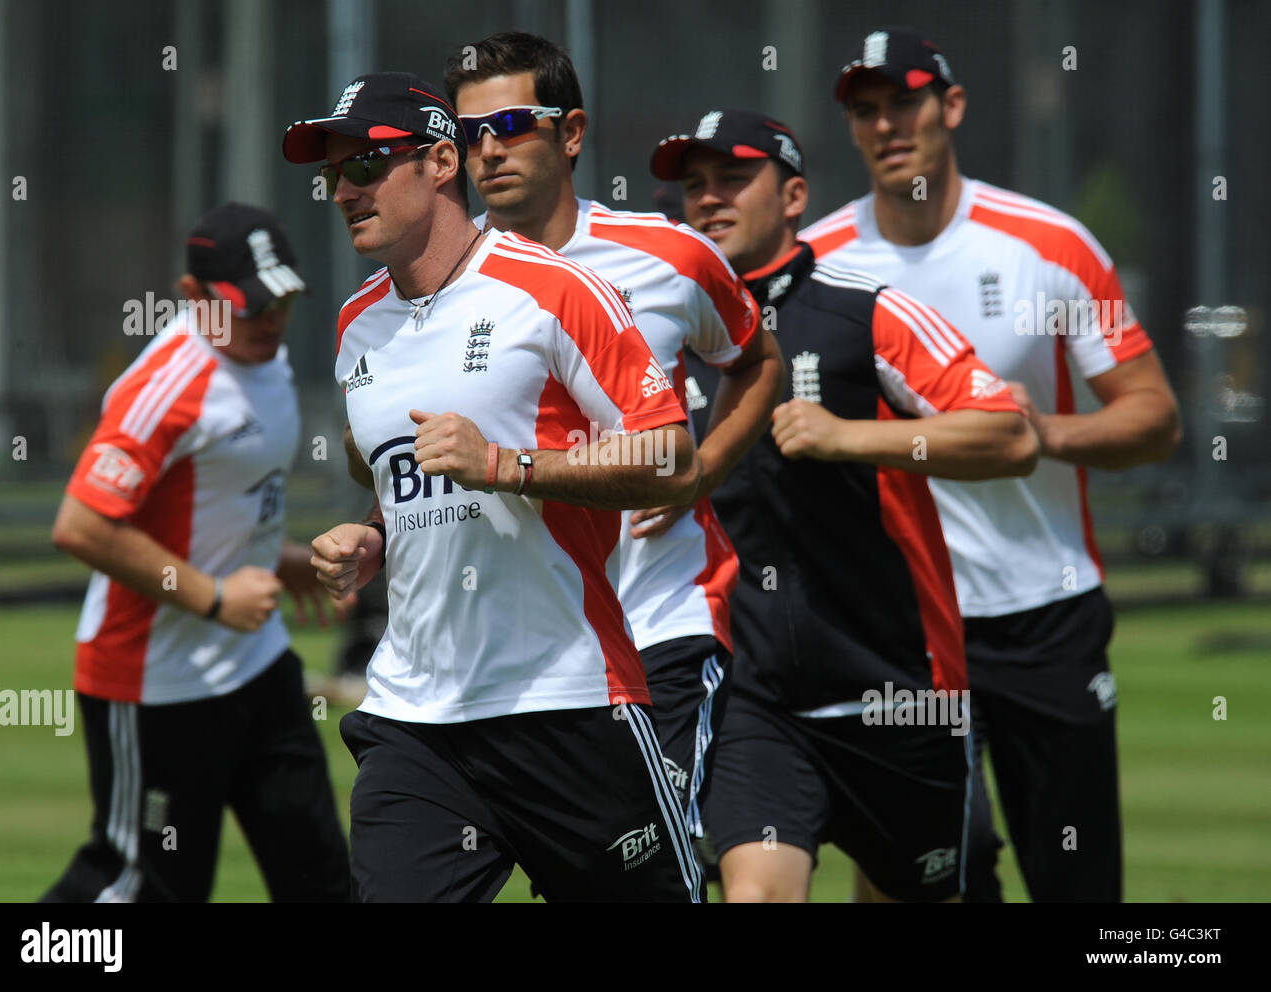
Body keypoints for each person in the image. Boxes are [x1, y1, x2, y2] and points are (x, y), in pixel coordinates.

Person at [282, 72, 706, 902]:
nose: (343, 191)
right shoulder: (353, 322)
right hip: (417, 719)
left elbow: (671, 457)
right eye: (332, 174)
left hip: (569, 701)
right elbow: (400, 474)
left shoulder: (553, 289)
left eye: (366, 164)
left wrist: (507, 467)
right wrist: (372, 535)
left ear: (442, 162)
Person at [801, 27, 1181, 901]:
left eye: (906, 102)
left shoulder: (1049, 244)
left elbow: (1154, 418)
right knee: (925, 878)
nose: (887, 125)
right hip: (895, 631)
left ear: (953, 107)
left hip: (1042, 611)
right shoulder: (818, 263)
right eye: (866, 110)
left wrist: (1024, 435)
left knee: (1081, 887)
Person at [651, 108, 1039, 901]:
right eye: (694, 186)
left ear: (794, 197)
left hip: (898, 687)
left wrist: (847, 438)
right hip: (755, 696)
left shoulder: (867, 310)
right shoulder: (662, 331)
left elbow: (1011, 436)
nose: (709, 199)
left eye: (734, 178)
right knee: (756, 894)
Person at [444, 31, 784, 850]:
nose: (489, 150)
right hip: (509, 658)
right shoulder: (433, 284)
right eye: (469, 133)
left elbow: (756, 361)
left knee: (658, 866)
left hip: (657, 627)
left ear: (571, 133)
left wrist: (697, 474)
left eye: (515, 123)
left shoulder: (673, 256)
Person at [44, 203, 351, 903]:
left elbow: (217, 505)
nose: (271, 319)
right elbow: (82, 527)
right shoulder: (168, 384)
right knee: (139, 889)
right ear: (194, 299)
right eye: (250, 307)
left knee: (325, 882)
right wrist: (214, 599)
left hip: (259, 668)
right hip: (157, 687)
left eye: (283, 300)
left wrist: (282, 559)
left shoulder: (265, 361)